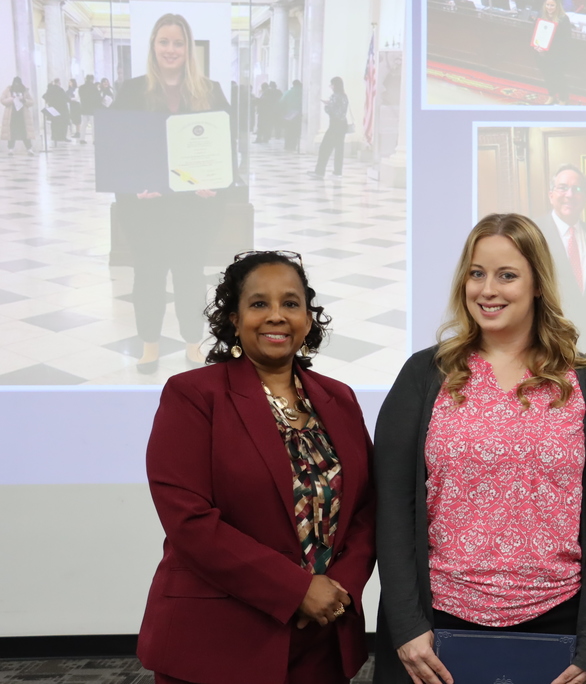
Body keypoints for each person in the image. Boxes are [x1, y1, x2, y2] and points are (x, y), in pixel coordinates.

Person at [373, 213, 586, 684]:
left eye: (507, 275)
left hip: (562, 625)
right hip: (439, 628)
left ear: (537, 285)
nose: (487, 289)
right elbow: (393, 507)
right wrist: (407, 626)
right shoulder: (424, 375)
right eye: (477, 273)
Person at [137, 250, 376, 684]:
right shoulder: (193, 395)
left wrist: (337, 590)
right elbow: (188, 520)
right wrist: (297, 590)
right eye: (258, 304)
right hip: (218, 640)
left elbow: (367, 508)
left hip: (320, 638)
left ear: (308, 316)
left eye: (291, 303)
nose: (276, 316)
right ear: (233, 318)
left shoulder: (338, 398)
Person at [111, 13, 231, 373]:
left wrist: (217, 183)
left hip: (193, 208)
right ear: (153, 46)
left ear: (188, 48)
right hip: (147, 208)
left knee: (190, 275)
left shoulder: (209, 90)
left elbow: (225, 148)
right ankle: (149, 343)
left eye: (178, 43)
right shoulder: (132, 91)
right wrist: (132, 187)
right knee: (148, 274)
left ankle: (192, 342)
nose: (171, 49)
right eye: (164, 42)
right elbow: (117, 147)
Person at [533, 163, 586, 354]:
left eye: (577, 189)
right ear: (551, 194)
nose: (569, 195)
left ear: (585, 198)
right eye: (563, 188)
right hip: (545, 342)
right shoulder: (534, 233)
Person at [533, 0, 573, 105]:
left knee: (558, 77)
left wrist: (549, 48)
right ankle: (551, 95)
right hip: (542, 53)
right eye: (547, 5)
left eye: (552, 5)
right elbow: (535, 32)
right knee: (547, 76)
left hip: (557, 55)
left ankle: (563, 99)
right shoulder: (541, 15)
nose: (549, 7)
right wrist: (537, 46)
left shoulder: (563, 19)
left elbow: (566, 39)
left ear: (557, 6)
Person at [310, 77, 348, 178]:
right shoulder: (344, 96)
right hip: (343, 125)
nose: (331, 87)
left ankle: (319, 171)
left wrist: (327, 105)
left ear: (335, 85)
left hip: (335, 125)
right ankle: (338, 171)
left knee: (325, 148)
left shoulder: (335, 96)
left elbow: (331, 110)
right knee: (339, 149)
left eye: (331, 85)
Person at [1, 77, 35, 156]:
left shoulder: (25, 90)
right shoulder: (8, 90)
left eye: (18, 83)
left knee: (24, 131)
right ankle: (10, 149)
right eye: (15, 83)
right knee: (11, 132)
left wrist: (24, 100)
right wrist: (11, 99)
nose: (16, 85)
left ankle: (29, 149)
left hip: (22, 114)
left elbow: (32, 101)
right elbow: (2, 100)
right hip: (11, 114)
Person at [281, 79, 303, 152]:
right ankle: (293, 145)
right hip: (298, 114)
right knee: (296, 131)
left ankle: (287, 145)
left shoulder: (288, 92)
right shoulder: (303, 92)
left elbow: (281, 101)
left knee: (288, 130)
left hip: (289, 114)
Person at [79, 75, 99, 143]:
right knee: (93, 125)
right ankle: (94, 139)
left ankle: (82, 139)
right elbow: (97, 97)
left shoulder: (81, 87)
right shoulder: (93, 87)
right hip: (92, 109)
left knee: (83, 125)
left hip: (84, 108)